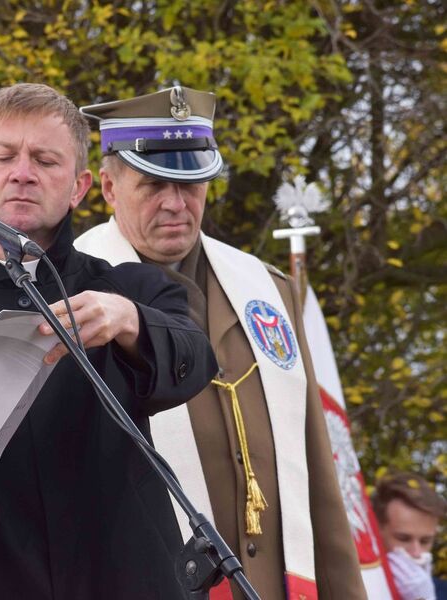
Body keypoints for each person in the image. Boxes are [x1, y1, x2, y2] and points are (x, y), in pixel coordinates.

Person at [0, 83, 218, 599]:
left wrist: (130, 320)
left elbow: (197, 361)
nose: (23, 173)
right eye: (5, 157)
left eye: (45, 159)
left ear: (79, 187)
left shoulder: (133, 288)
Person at [74, 86, 365, 599]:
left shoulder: (267, 290)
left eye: (191, 183)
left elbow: (317, 470)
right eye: (153, 184)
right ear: (109, 187)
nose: (175, 204)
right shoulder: (71, 297)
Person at [373, 472, 446, 600]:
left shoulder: (443, 592)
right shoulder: (352, 587)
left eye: (425, 541)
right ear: (378, 531)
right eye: (403, 539)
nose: (416, 553)